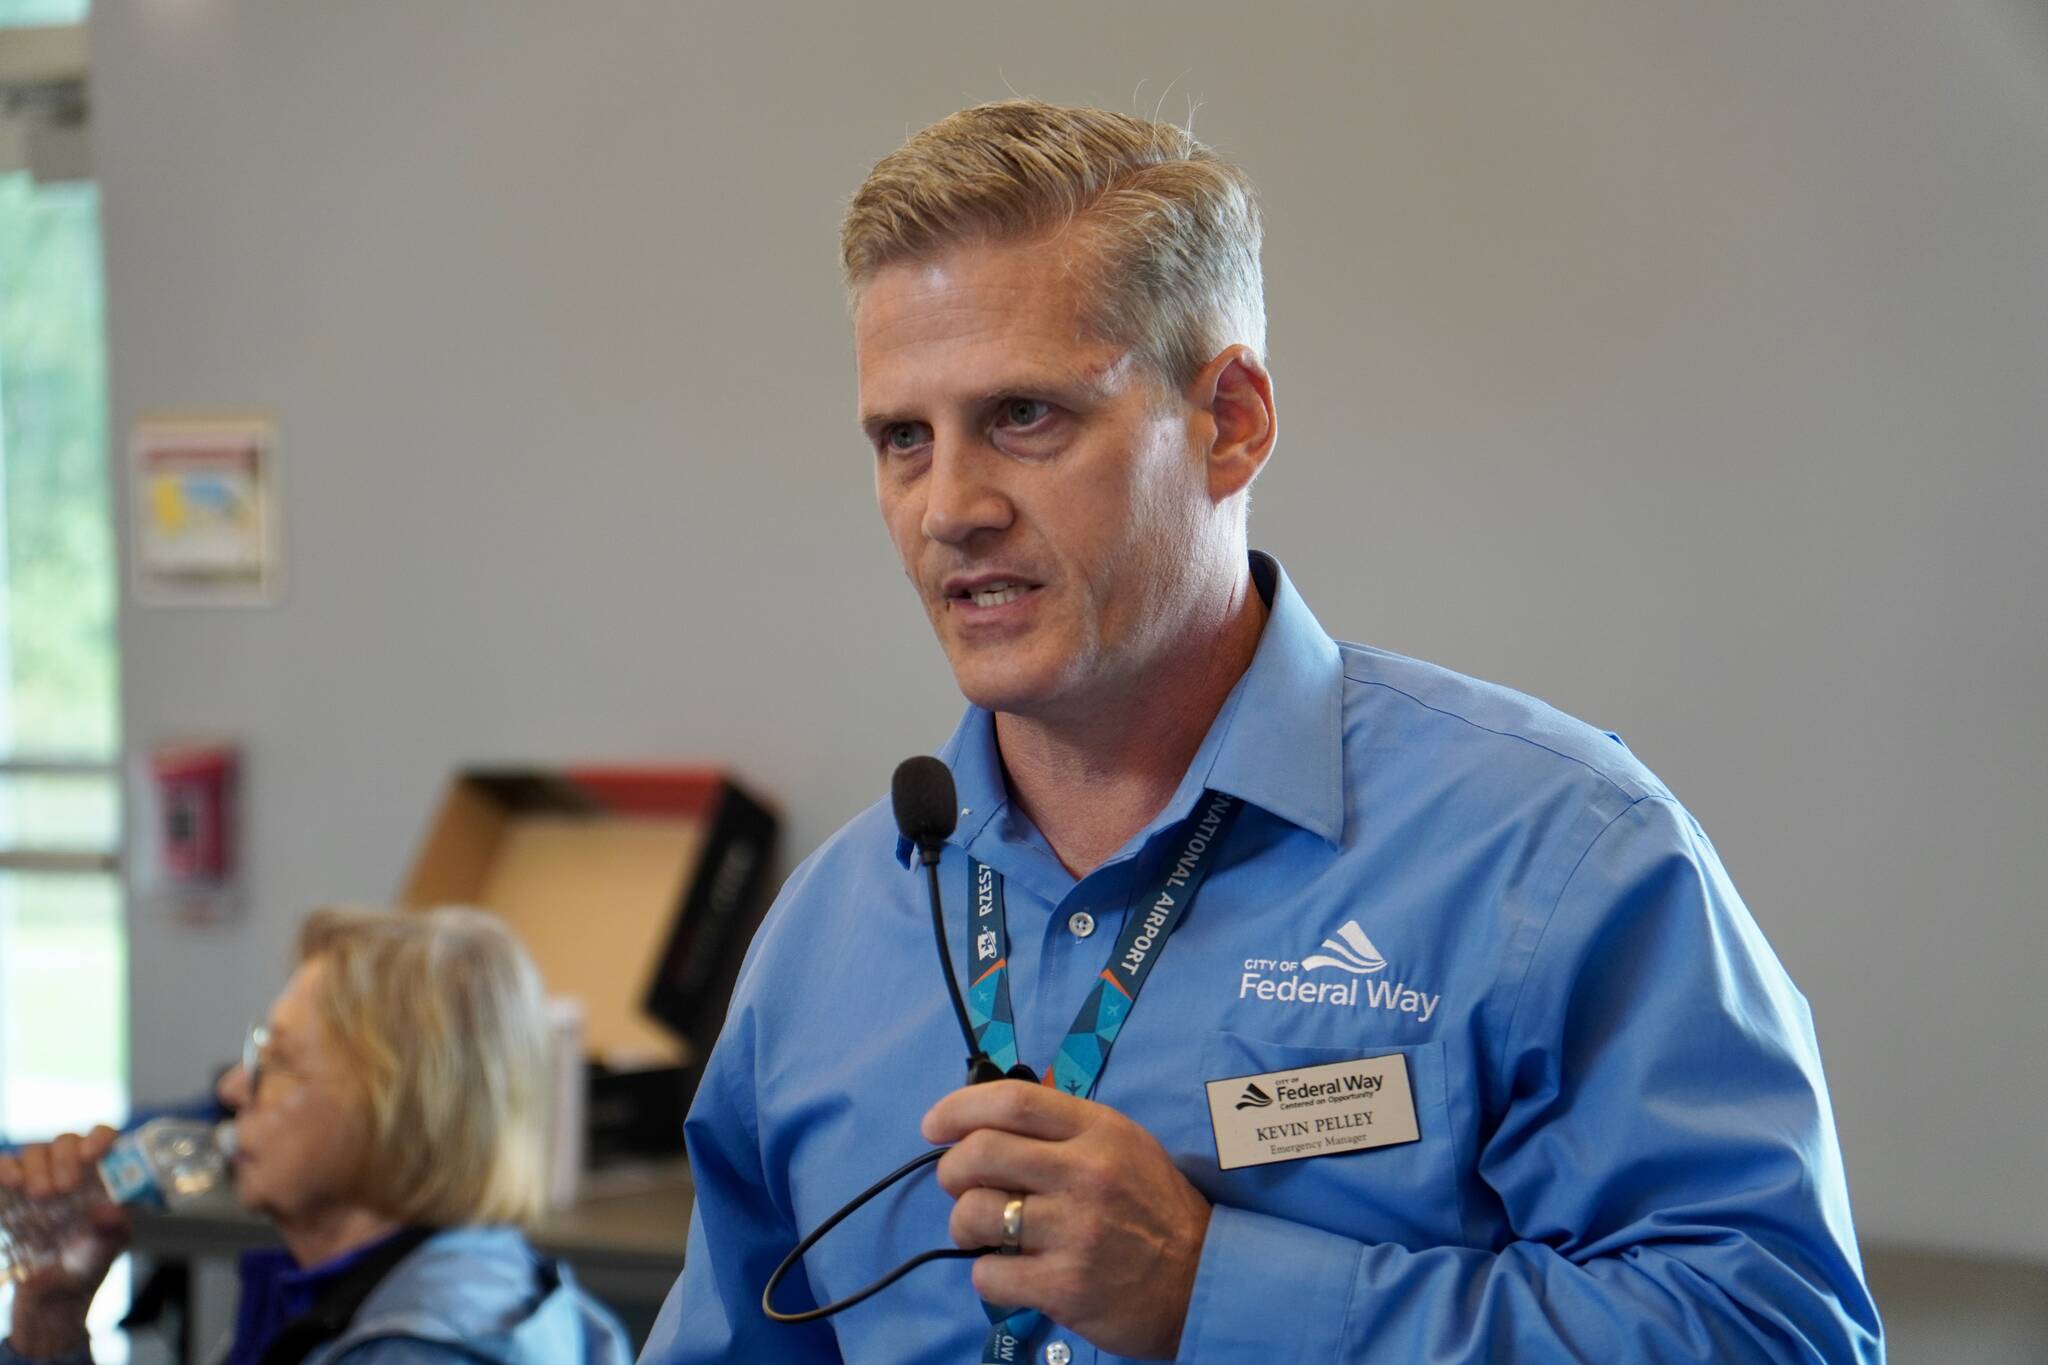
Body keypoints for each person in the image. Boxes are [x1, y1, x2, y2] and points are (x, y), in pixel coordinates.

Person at [640, 101, 1884, 1363]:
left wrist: (1207, 1290)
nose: (949, 508)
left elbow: (1779, 1337)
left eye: (1023, 417)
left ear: (1229, 420)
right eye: (902, 438)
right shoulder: (828, 936)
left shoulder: (1555, 858)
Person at [0, 906, 632, 1365]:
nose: (231, 1092)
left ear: (400, 1109)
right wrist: (49, 1323)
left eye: (279, 1061)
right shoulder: (464, 1288)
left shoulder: (415, 1352)